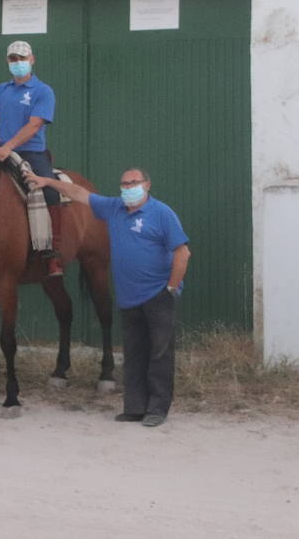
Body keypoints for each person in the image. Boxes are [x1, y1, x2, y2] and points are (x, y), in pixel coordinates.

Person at [29, 167, 191, 427]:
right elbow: (79, 193)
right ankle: (135, 407)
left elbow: (182, 253)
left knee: (159, 353)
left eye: (134, 182)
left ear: (147, 185)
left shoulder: (161, 213)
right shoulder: (114, 208)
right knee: (134, 354)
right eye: (124, 183)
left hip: (158, 295)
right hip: (129, 298)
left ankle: (157, 408)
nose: (129, 187)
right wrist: (47, 180)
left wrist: (171, 288)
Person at [0, 40, 63, 275]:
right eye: (13, 59)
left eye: (22, 58)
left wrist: (8, 147)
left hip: (31, 152)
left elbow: (34, 126)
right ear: (7, 61)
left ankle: (53, 252)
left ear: (32, 59)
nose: (17, 63)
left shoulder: (43, 91)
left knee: (50, 191)